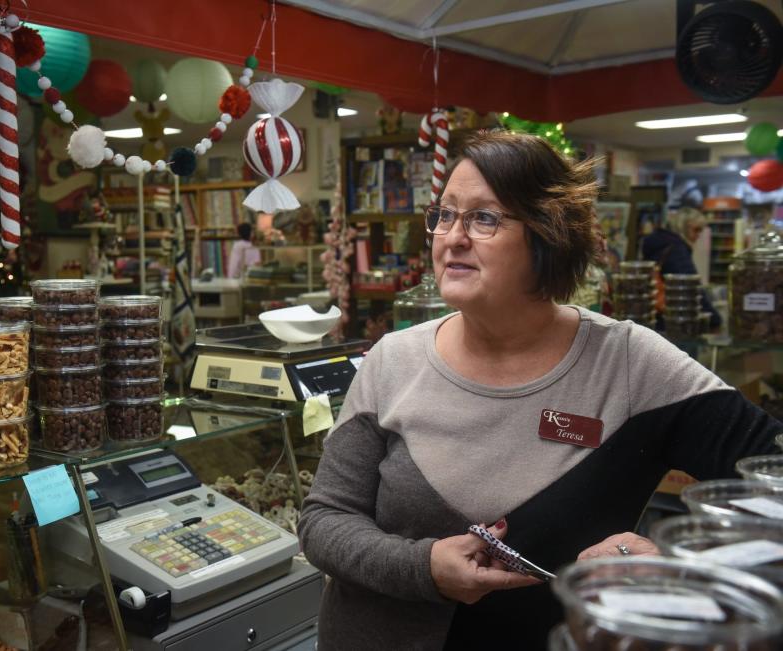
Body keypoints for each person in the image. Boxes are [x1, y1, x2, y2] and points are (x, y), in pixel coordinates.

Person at [298, 131, 781, 650]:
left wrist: (673, 560)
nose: (452, 237)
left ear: (549, 235)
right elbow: (324, 521)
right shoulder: (393, 359)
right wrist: (422, 567)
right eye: (444, 214)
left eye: (484, 218)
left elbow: (770, 483)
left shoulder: (629, 363)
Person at [641, 207, 722, 329]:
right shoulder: (677, 250)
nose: (698, 235)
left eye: (701, 231)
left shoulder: (660, 244)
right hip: (674, 321)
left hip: (652, 316)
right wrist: (714, 319)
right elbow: (692, 288)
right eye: (696, 230)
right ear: (683, 227)